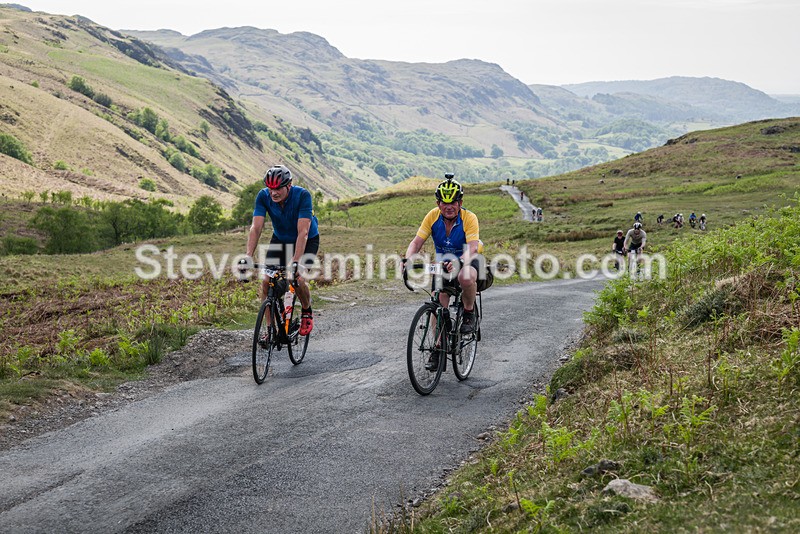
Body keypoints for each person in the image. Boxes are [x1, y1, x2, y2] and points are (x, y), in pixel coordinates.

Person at [403, 174, 492, 341]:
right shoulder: (432, 216)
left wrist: (458, 262)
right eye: (445, 202)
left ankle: (468, 313)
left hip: (469, 259)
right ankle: (438, 348)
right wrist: (407, 260)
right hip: (444, 264)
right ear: (438, 203)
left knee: (464, 277)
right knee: (438, 302)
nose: (449, 206)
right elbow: (416, 243)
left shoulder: (469, 218)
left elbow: (473, 247)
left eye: (453, 202)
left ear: (460, 203)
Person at [245, 164, 319, 336]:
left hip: (307, 240)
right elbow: (256, 228)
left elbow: (303, 232)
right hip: (280, 240)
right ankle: (271, 330)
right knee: (266, 281)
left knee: (297, 278)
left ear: (289, 185)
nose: (274, 193)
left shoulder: (302, 196)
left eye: (278, 188)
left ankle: (307, 311)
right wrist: (248, 256)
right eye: (270, 189)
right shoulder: (263, 197)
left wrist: (296, 261)